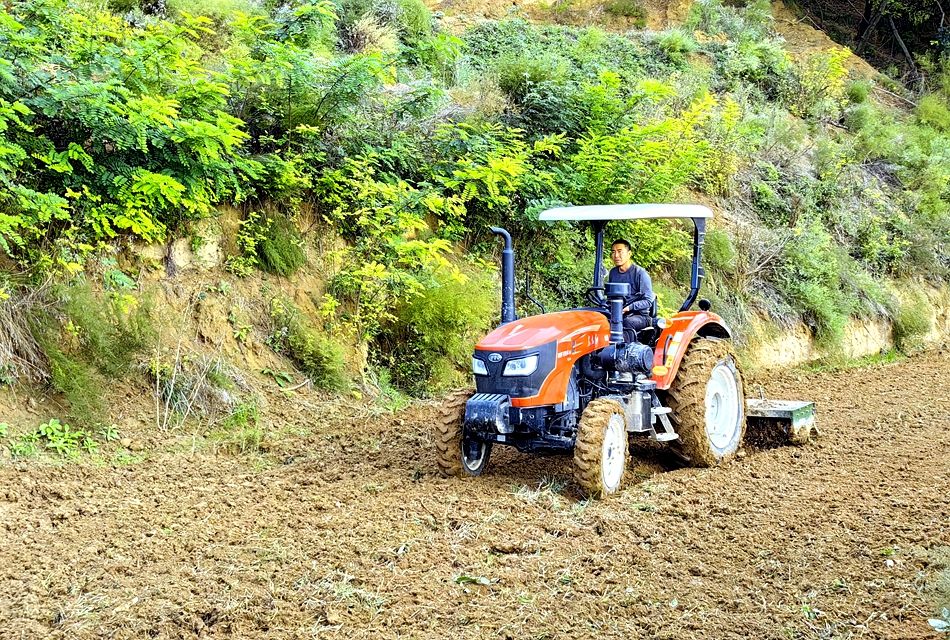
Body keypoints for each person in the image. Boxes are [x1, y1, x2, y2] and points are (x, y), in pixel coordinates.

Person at [607, 238, 655, 342]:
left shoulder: (640, 274)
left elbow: (648, 301)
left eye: (620, 252)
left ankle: (624, 353)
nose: (616, 256)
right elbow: (610, 297)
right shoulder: (613, 273)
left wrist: (628, 308)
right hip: (617, 312)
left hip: (639, 316)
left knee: (626, 322)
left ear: (629, 254)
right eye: (613, 252)